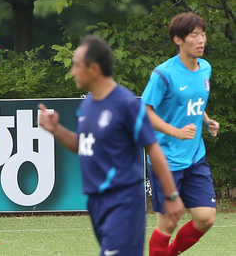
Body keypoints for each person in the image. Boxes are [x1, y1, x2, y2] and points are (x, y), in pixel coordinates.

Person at [38, 35, 185, 255]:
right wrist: (56, 129)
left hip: (123, 202)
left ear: (94, 69)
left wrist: (171, 196)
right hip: (96, 202)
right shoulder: (87, 104)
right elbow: (83, 145)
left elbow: (153, 148)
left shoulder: (126, 104)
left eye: (77, 65)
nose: (72, 71)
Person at [142, 12, 220, 256]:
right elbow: (145, 112)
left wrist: (206, 121)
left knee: (206, 218)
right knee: (168, 223)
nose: (201, 40)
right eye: (194, 35)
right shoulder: (163, 74)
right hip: (166, 159)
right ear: (178, 40)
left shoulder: (205, 68)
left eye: (203, 34)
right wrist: (175, 131)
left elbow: (195, 101)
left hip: (195, 155)